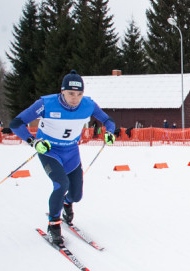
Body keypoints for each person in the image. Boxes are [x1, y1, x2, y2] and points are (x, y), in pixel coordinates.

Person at [10, 70, 115, 245]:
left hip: (72, 152)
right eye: (71, 93)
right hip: (50, 151)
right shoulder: (45, 103)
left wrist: (110, 132)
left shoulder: (88, 104)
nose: (75, 98)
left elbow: (108, 120)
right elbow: (16, 123)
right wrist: (33, 141)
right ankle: (54, 225)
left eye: (79, 94)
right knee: (61, 184)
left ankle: (67, 203)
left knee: (76, 195)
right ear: (62, 91)